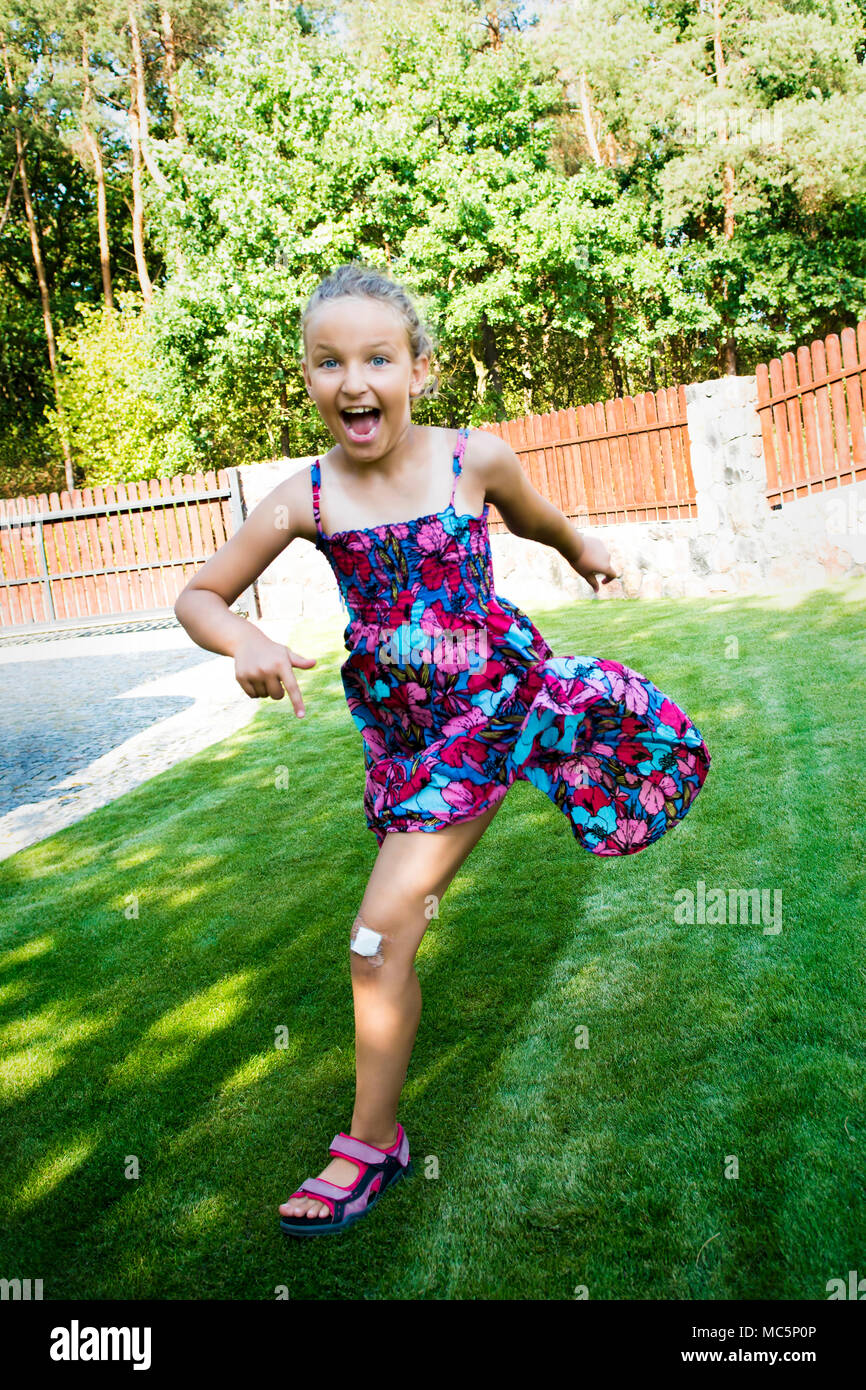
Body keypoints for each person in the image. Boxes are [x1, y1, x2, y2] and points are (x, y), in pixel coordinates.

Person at [174, 261, 712, 1238]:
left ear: (417, 368)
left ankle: (368, 1143)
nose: (352, 381)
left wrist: (583, 551)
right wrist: (243, 638)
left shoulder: (476, 459)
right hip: (401, 736)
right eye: (327, 362)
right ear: (306, 378)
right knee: (384, 939)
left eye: (376, 357)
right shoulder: (307, 499)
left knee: (374, 939)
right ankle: (375, 1131)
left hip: (485, 711)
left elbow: (541, 523)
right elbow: (198, 595)